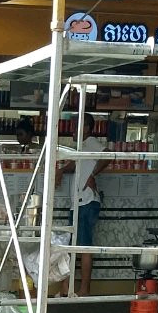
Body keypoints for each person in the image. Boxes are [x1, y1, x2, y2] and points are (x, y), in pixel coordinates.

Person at [55, 112, 105, 296]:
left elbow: (108, 156)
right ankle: (67, 288)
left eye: (77, 126)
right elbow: (74, 165)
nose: (73, 130)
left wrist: (93, 175)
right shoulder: (82, 146)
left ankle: (84, 290)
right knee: (72, 246)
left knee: (83, 248)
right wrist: (61, 170)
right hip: (78, 203)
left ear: (86, 128)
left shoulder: (91, 142)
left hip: (86, 202)